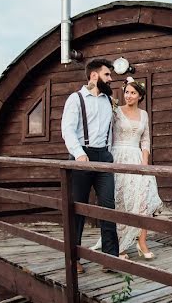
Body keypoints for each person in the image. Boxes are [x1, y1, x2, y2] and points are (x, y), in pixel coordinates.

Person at [60, 58, 121, 272]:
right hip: (81, 157)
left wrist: (109, 154)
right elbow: (68, 130)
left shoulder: (108, 101)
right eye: (107, 75)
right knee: (77, 208)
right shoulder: (75, 99)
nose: (110, 79)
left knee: (108, 206)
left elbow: (110, 132)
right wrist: (78, 154)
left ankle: (110, 258)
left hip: (103, 157)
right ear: (94, 76)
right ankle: (73, 259)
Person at [111, 77, 162, 259]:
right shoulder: (116, 111)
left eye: (133, 93)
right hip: (118, 157)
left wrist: (145, 161)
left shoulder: (144, 114)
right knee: (122, 201)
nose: (129, 96)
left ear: (140, 96)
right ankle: (121, 246)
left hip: (137, 157)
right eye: (127, 92)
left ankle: (142, 242)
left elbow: (146, 139)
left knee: (143, 199)